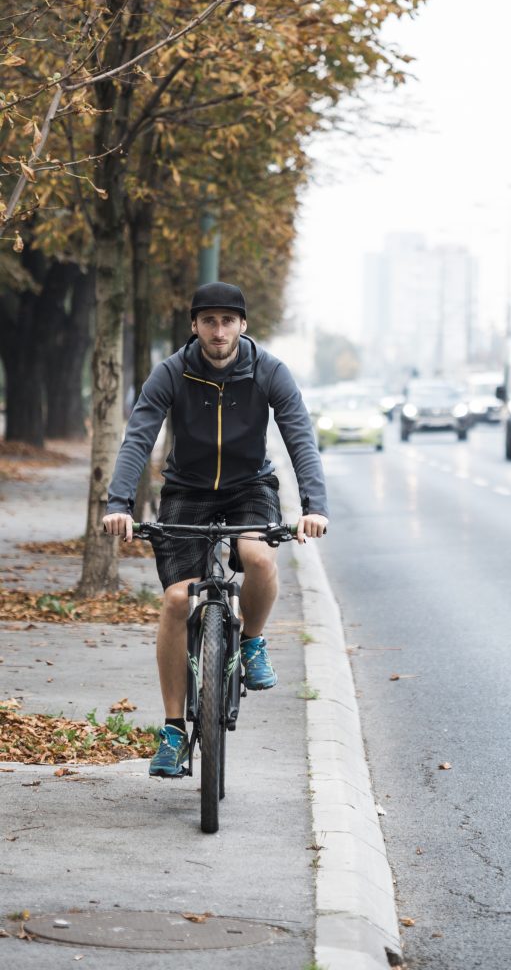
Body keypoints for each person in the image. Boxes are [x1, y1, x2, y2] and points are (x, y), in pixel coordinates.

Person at [103, 281, 329, 778]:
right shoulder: (172, 372)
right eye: (209, 320)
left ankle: (250, 641)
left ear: (243, 325)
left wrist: (315, 506)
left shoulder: (269, 371)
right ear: (194, 326)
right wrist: (118, 503)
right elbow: (139, 435)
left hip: (250, 485)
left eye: (228, 320)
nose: (219, 330)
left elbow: (299, 437)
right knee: (177, 600)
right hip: (188, 490)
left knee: (261, 559)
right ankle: (172, 732)